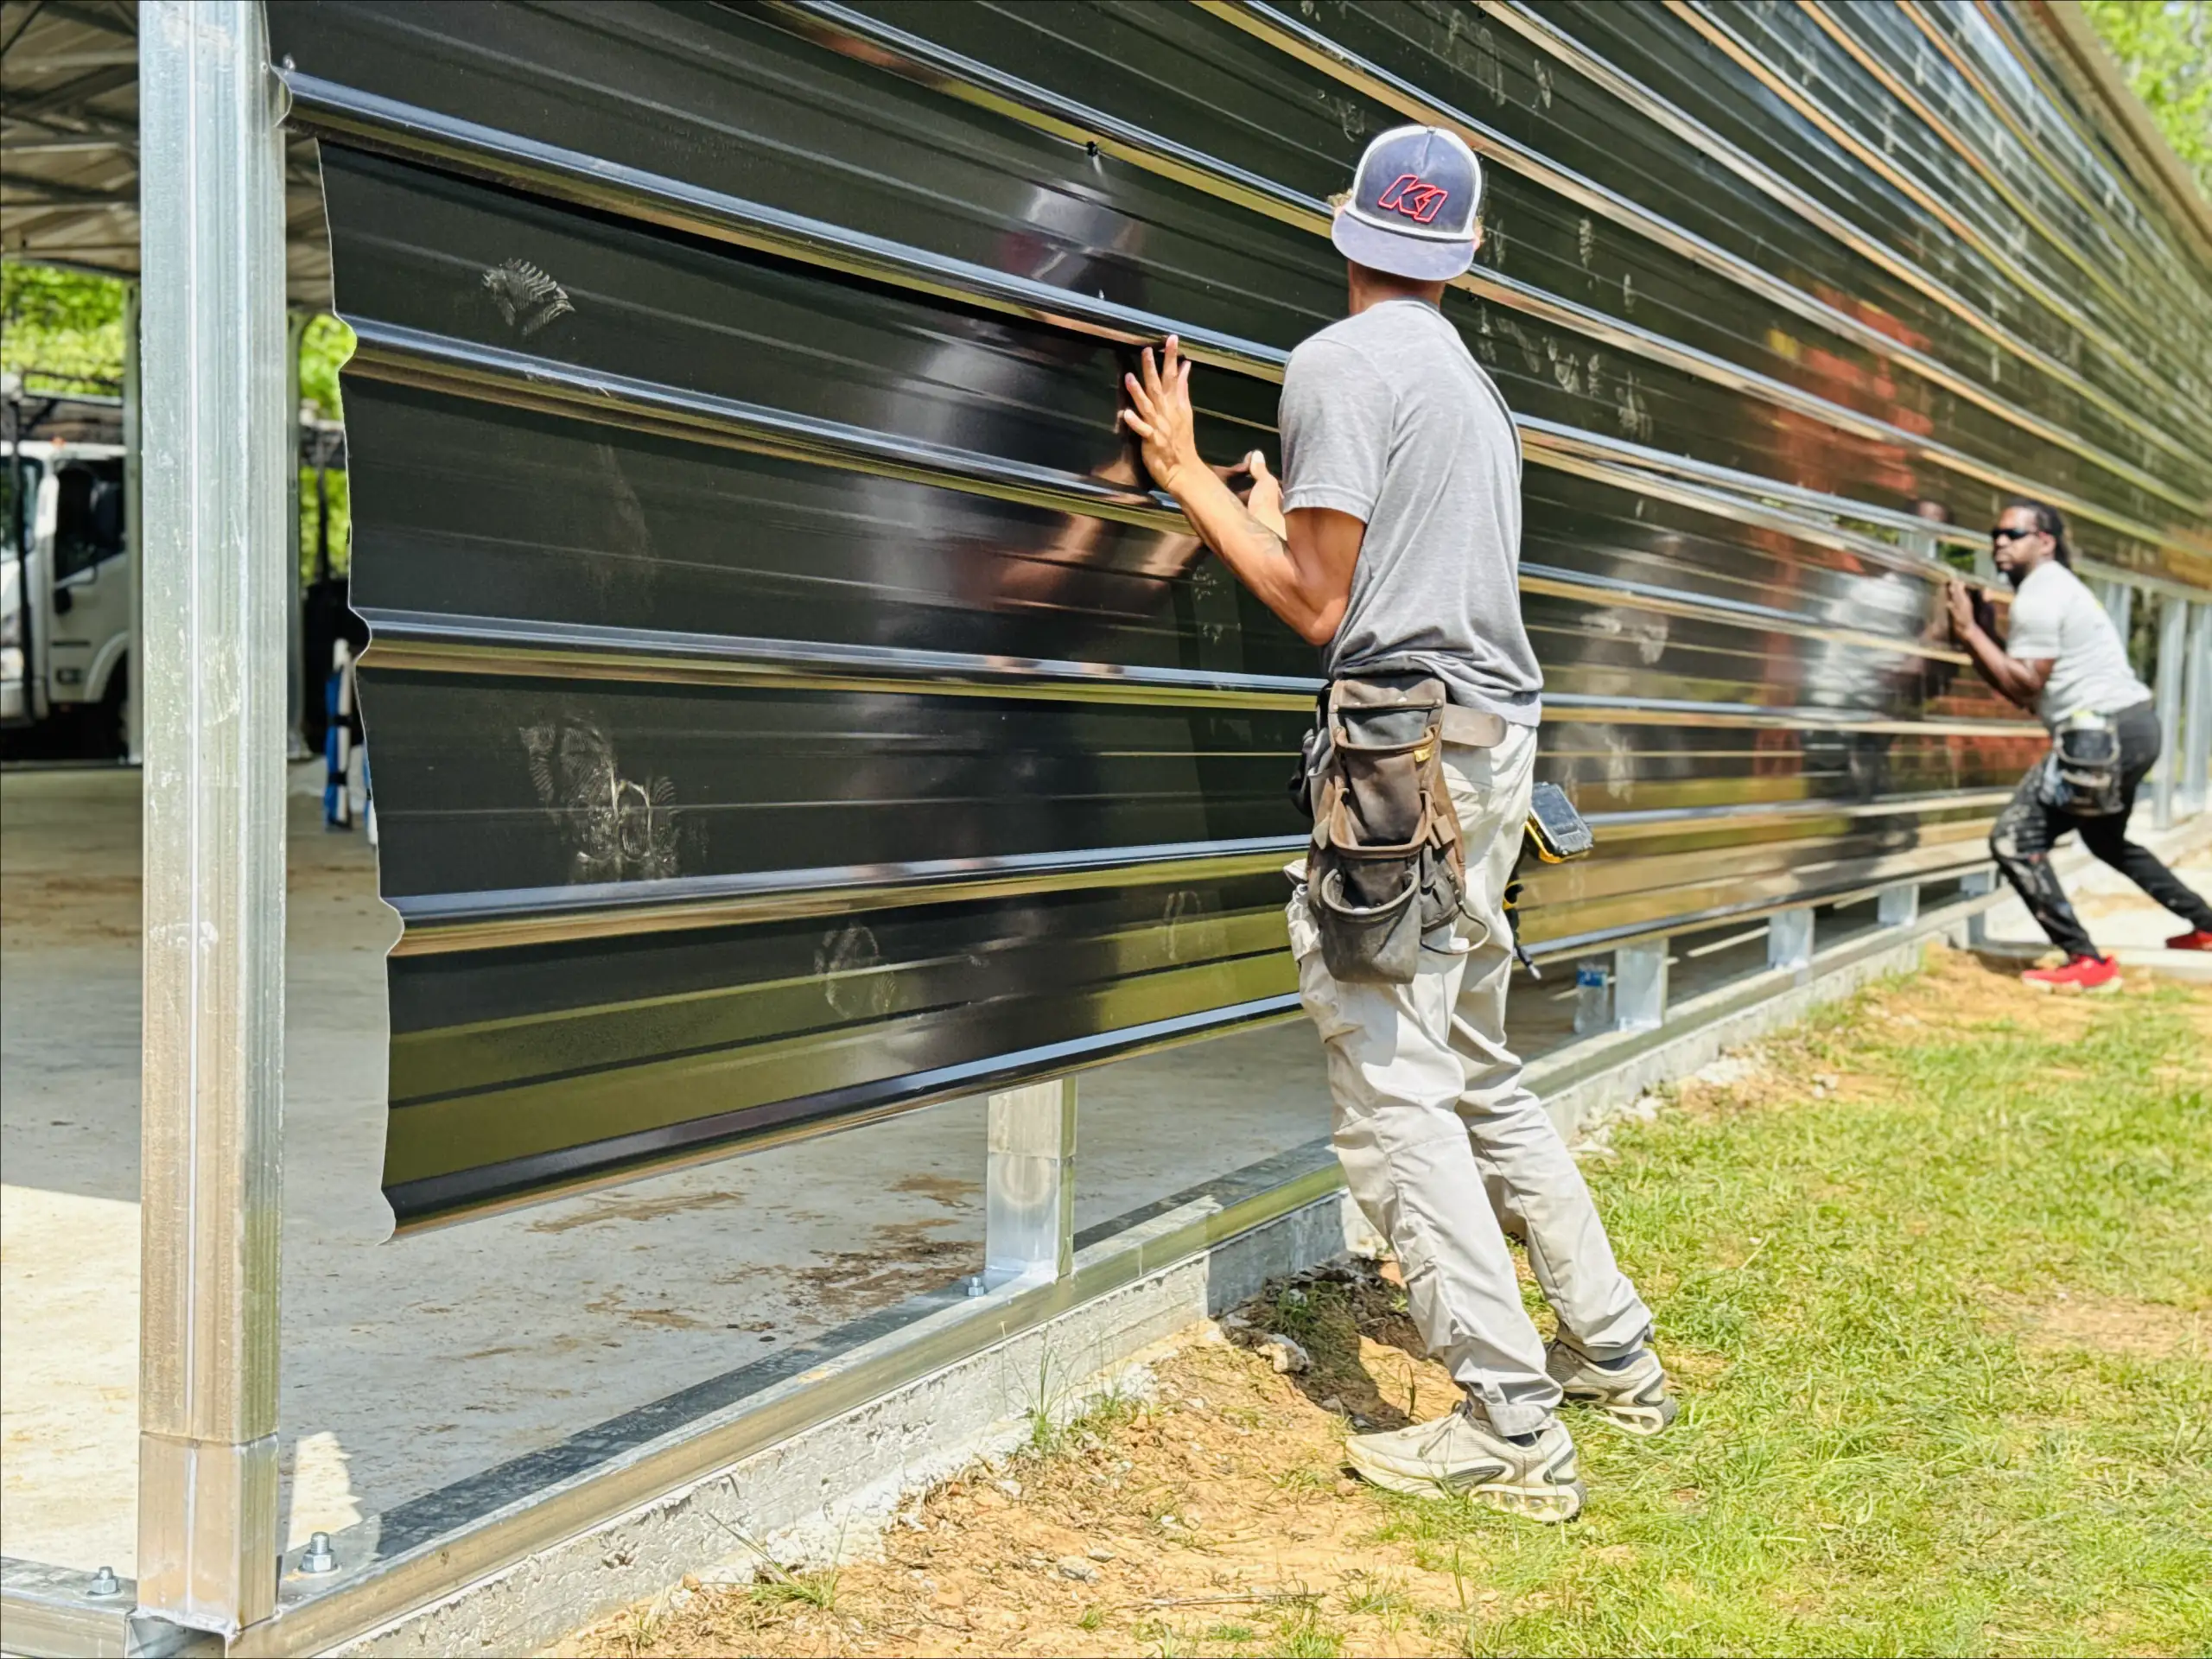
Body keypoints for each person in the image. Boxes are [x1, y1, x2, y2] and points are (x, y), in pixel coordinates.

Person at [1119, 125, 1669, 1524]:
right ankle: (1613, 1351)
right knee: (1473, 1057)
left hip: (1397, 768)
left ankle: (1510, 1428)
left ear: (1344, 230)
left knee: (1392, 1082)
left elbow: (1320, 603)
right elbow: (1366, 561)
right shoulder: (1470, 391)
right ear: (1465, 254)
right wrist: (1274, 511)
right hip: (1488, 761)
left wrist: (1187, 477)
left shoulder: (1336, 364)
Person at [1945, 500, 2212, 989]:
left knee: (2014, 839)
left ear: (2045, 541)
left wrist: (1967, 631)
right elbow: (2025, 689)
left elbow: (2024, 687)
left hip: (2100, 736)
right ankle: (2208, 926)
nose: (2000, 542)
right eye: (1995, 534)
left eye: (2013, 533)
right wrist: (1981, 635)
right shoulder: (2057, 589)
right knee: (2105, 839)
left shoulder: (2040, 596)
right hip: (2132, 728)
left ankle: (2085, 961)